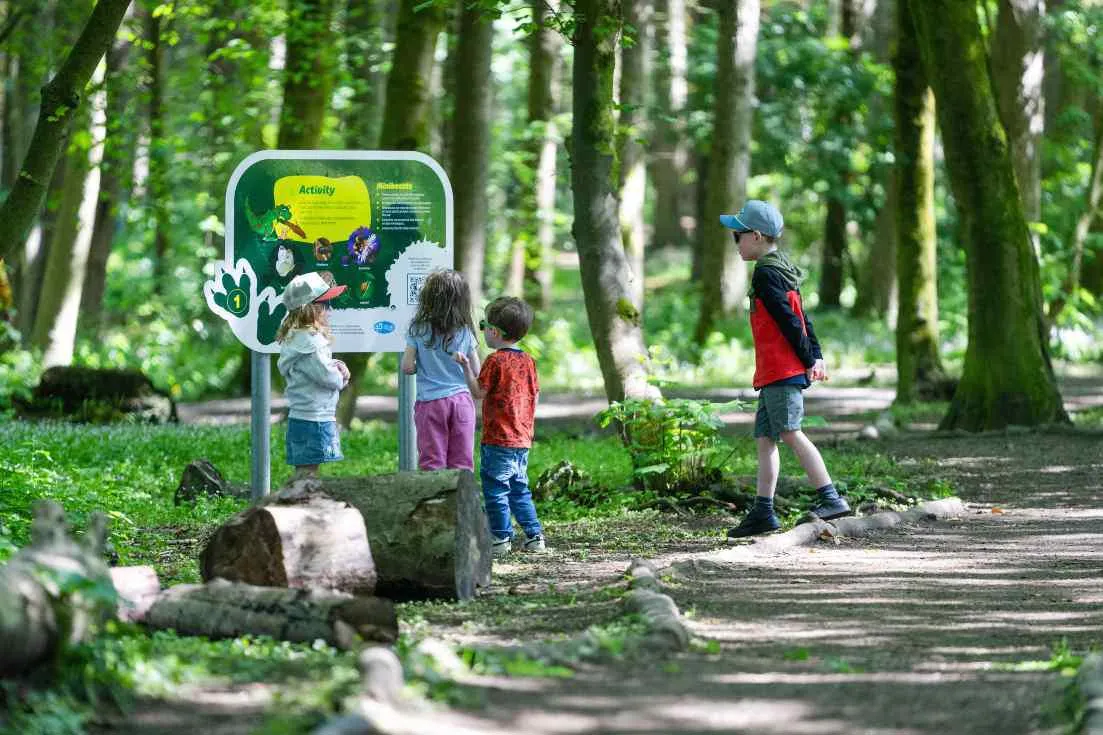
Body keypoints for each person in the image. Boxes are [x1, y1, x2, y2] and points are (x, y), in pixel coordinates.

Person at [721, 200, 851, 538]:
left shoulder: (767, 272)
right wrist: (816, 354)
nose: (736, 242)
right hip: (774, 372)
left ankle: (830, 496)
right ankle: (763, 511)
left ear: (758, 237)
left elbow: (790, 321)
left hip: (782, 370)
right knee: (766, 439)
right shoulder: (781, 267)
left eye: (739, 235)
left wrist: (809, 359)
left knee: (791, 432)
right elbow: (802, 317)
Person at [454, 296, 546, 556]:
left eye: (483, 326)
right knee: (519, 488)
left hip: (497, 439)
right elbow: (535, 394)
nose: (483, 332)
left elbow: (477, 392)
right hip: (522, 439)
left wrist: (464, 366)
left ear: (494, 332)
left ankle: (501, 538)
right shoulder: (528, 360)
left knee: (496, 490)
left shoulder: (495, 361)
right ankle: (534, 536)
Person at [401, 269, 480, 470]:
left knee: (431, 461)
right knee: (462, 461)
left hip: (430, 403)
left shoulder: (417, 328)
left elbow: (407, 367)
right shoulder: (465, 331)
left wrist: (426, 367)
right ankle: (461, 500)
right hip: (461, 402)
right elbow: (477, 372)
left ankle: (434, 500)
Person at [276, 271, 351, 480]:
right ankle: (301, 504)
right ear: (311, 309)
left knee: (306, 469)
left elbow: (320, 367)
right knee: (308, 473)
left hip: (302, 416)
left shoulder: (298, 339)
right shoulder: (310, 343)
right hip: (315, 418)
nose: (329, 310)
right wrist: (342, 376)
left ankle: (301, 501)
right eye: (325, 305)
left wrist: (337, 364)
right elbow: (329, 378)